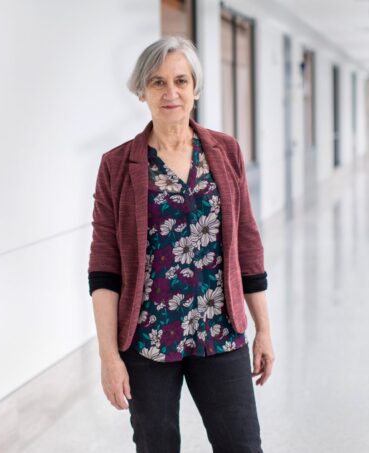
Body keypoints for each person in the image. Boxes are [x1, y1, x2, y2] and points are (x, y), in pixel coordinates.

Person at [88, 36, 275, 453]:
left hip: (221, 331)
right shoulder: (117, 166)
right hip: (148, 339)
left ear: (196, 88)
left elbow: (247, 244)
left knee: (243, 446)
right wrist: (108, 357)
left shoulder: (225, 152)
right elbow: (103, 269)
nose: (170, 92)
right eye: (157, 82)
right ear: (142, 91)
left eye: (180, 81)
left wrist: (263, 329)